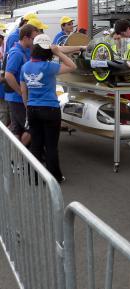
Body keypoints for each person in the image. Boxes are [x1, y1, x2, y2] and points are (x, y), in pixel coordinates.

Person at [20, 34, 77, 183]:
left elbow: (23, 90)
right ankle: (55, 177)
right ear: (47, 50)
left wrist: (27, 106)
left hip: (32, 108)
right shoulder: (49, 67)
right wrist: (58, 52)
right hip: (50, 109)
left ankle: (34, 177)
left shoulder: (25, 66)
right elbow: (72, 66)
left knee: (36, 144)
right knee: (51, 146)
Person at [4, 24, 39, 145]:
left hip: (16, 98)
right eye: (34, 38)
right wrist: (21, 92)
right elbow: (8, 75)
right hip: (17, 98)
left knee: (16, 128)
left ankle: (14, 159)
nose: (35, 41)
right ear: (25, 38)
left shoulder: (23, 51)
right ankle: (20, 159)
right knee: (31, 128)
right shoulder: (17, 53)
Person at [0, 30, 11, 126]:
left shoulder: (3, 51)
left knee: (5, 113)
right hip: (1, 91)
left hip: (4, 92)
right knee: (3, 113)